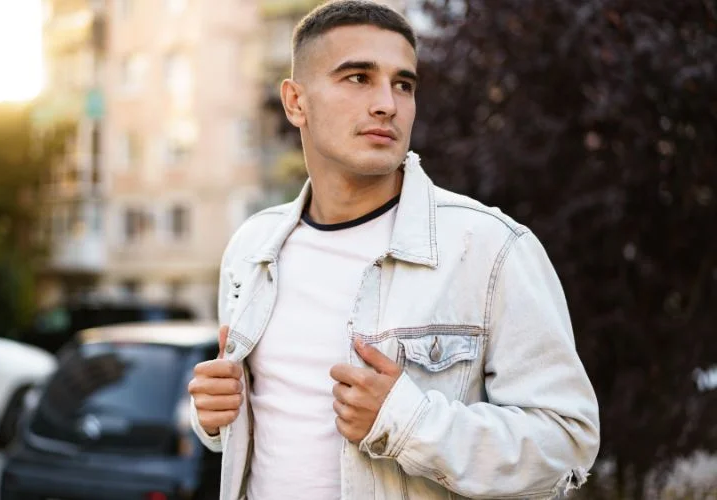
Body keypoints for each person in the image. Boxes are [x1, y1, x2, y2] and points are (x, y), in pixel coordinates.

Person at [187, 1, 600, 498]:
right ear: (296, 102)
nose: (387, 103)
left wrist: (408, 423)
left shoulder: (490, 248)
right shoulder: (252, 249)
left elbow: (567, 444)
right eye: (358, 78)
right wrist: (211, 419)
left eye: (403, 84)